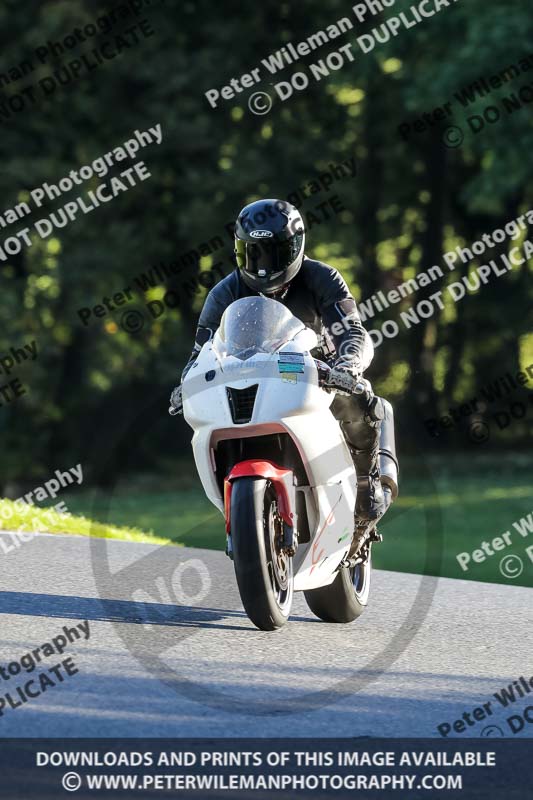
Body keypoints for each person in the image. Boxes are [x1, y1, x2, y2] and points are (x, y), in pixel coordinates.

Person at [170, 198, 386, 522]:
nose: (263, 264)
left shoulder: (322, 278)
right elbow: (200, 352)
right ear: (239, 251)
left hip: (318, 373)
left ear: (296, 245)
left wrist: (349, 364)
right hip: (253, 378)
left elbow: (352, 332)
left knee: (361, 399)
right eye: (253, 253)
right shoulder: (224, 292)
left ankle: (366, 486)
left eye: (274, 253)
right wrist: (187, 384)